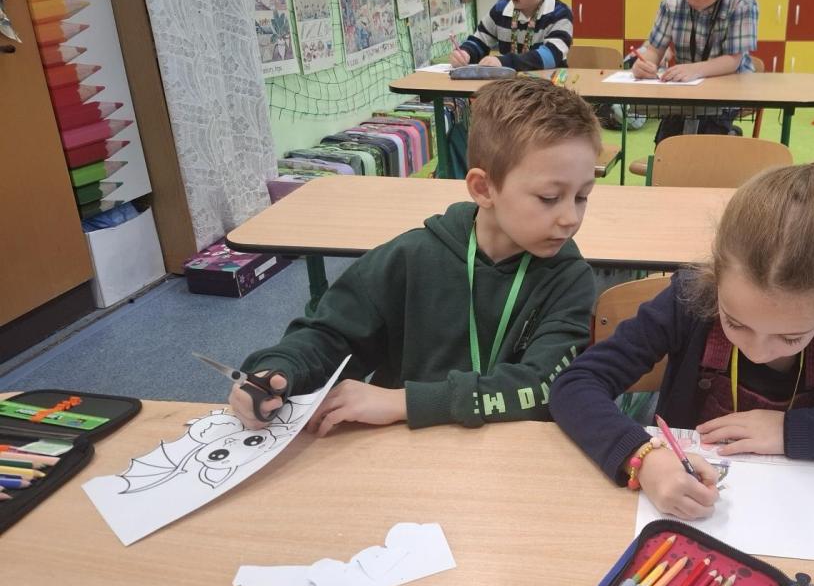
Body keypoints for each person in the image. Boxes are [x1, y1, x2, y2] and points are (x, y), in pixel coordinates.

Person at [550, 164, 814, 520]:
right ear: (717, 271)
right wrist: (643, 456)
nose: (757, 350)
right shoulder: (688, 300)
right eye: (735, 323)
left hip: (810, 519)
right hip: (691, 515)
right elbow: (576, 385)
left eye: (791, 336)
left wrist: (793, 430)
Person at [230, 76, 601, 436]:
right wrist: (279, 371)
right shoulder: (411, 257)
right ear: (484, 188)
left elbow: (541, 388)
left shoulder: (570, 279)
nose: (571, 217)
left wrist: (406, 402)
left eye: (582, 196)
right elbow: (330, 337)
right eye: (549, 198)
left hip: (510, 454)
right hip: (400, 448)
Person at [630, 0, 758, 142]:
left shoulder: (742, 1)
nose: (693, 0)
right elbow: (654, 49)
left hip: (726, 89)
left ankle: (729, 134)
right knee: (666, 143)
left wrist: (695, 70)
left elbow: (733, 60)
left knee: (707, 144)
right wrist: (644, 64)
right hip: (685, 90)